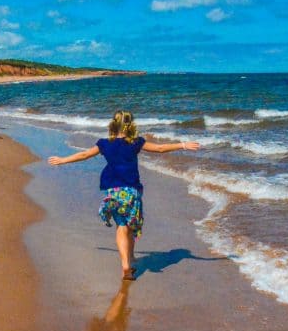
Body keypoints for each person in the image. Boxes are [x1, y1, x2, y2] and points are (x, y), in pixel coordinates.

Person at [48, 110, 200, 280]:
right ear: (130, 125)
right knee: (130, 226)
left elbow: (84, 155)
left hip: (112, 191)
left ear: (113, 124)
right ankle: (129, 262)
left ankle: (128, 263)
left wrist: (63, 160)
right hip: (132, 191)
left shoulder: (104, 143)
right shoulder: (135, 142)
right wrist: (183, 145)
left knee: (121, 226)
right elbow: (160, 148)